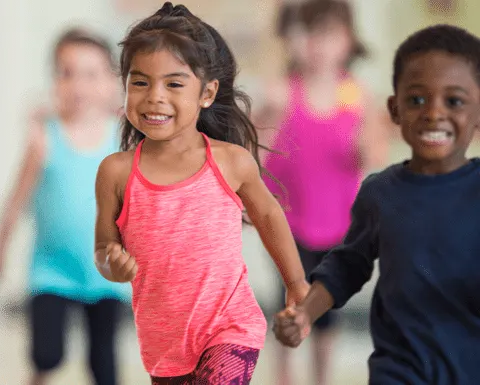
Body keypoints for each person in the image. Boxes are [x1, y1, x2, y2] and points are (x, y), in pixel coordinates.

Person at [94, 3, 310, 384]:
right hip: (163, 343)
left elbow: (269, 216)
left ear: (207, 93)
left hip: (230, 327)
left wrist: (295, 283)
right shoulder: (116, 171)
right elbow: (104, 246)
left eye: (174, 84)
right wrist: (111, 263)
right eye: (140, 82)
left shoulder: (231, 162)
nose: (155, 97)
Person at [273, 23, 480, 385]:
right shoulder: (380, 193)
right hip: (397, 369)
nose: (433, 113)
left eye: (454, 101)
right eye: (417, 99)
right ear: (394, 109)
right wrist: (306, 313)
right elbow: (346, 267)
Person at [0, 27, 130, 385]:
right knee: (47, 355)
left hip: (106, 275)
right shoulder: (44, 138)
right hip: (52, 271)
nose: (78, 85)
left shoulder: (121, 140)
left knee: (104, 367)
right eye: (66, 72)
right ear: (54, 80)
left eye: (91, 75)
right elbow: (14, 205)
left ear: (112, 83)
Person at [253, 1, 391, 383]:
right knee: (290, 303)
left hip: (338, 224)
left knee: (326, 310)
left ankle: (321, 377)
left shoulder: (357, 95)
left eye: (329, 34)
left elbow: (371, 156)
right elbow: (253, 156)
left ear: (348, 41)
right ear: (295, 40)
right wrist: (269, 113)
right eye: (311, 34)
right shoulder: (282, 92)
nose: (319, 45)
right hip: (285, 222)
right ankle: (283, 377)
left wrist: (368, 134)